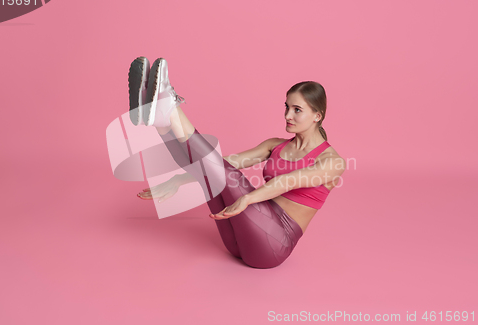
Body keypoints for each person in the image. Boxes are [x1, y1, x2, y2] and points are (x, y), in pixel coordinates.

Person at [129, 57, 346, 269]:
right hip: (239, 238)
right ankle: (161, 123)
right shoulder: (275, 145)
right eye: (287, 107)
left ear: (317, 116)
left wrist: (247, 199)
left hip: (273, 246)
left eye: (297, 110)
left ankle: (170, 108)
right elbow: (229, 162)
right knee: (213, 175)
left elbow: (286, 182)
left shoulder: (332, 162)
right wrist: (178, 180)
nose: (288, 115)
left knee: (228, 176)